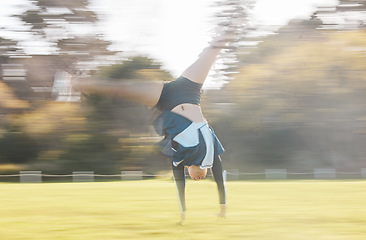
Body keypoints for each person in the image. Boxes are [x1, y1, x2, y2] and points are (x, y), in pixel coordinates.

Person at [75, 31, 234, 223]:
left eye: (194, 179)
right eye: (199, 178)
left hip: (166, 97)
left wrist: (184, 216)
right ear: (202, 170)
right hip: (190, 89)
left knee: (122, 89)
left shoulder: (181, 158)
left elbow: (181, 184)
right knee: (213, 51)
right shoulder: (210, 155)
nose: (196, 179)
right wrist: (222, 209)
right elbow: (218, 180)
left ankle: (78, 83)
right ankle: (230, 29)